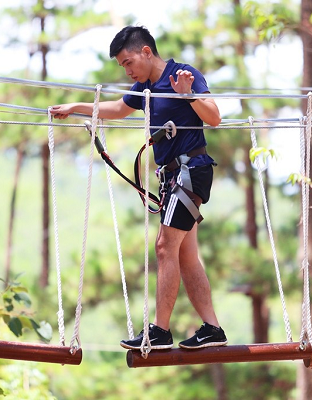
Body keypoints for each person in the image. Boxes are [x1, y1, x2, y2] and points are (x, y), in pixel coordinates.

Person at [50, 25, 227, 350]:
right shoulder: (145, 88)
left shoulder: (183, 75)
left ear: (146, 51)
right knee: (185, 256)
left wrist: (187, 95)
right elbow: (117, 108)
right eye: (123, 66)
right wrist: (76, 107)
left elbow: (214, 117)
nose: (128, 70)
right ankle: (212, 329)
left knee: (164, 247)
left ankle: (160, 331)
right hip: (173, 177)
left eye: (128, 62)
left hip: (192, 170)